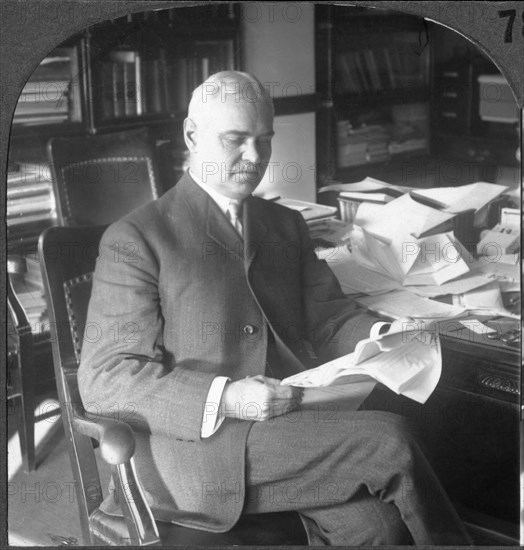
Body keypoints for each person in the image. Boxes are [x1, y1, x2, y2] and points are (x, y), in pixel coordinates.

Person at [78, 71, 472, 545]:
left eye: (263, 141)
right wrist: (228, 397)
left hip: (289, 431)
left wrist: (380, 336)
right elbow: (107, 379)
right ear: (191, 135)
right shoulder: (138, 238)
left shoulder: (284, 224)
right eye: (235, 140)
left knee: (379, 526)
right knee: (391, 441)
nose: (254, 158)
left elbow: (328, 317)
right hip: (198, 451)